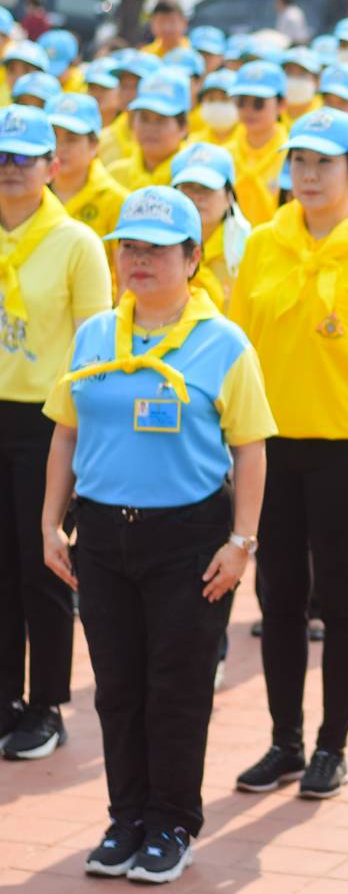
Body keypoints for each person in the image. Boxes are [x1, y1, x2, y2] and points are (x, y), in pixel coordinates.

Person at [41, 186, 274, 882]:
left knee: (176, 686)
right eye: (129, 248)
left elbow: (252, 447)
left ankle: (172, 822)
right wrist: (51, 520)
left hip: (189, 536)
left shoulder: (222, 342)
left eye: (155, 249)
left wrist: (242, 542)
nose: (137, 261)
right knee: (117, 686)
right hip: (105, 533)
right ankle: (126, 818)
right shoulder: (94, 336)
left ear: (193, 257)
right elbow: (65, 429)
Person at [229, 109, 348, 799]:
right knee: (276, 596)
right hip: (271, 447)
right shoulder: (262, 242)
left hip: (346, 452)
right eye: (299, 163)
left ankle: (330, 746)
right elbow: (241, 355)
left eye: (324, 164)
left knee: (339, 599)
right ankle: (285, 741)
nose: (308, 177)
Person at [0, 105, 113, 760]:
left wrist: (85, 434)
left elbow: (93, 348)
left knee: (40, 560)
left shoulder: (75, 243)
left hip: (48, 421)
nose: (11, 170)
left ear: (54, 164)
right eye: (2, 157)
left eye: (24, 157)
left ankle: (46, 703)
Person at [170, 143, 251, 308]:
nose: (197, 197)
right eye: (189, 188)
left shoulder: (247, 246)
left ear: (229, 197)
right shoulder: (158, 246)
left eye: (207, 189)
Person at [46, 93, 128, 240]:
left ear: (94, 145)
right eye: (53, 137)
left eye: (71, 139)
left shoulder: (117, 201)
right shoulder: (29, 194)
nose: (60, 148)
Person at [223, 61, 289, 226]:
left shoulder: (291, 157)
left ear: (281, 104)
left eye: (258, 103)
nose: (248, 110)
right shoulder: (225, 155)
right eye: (241, 102)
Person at [108, 69, 191, 190]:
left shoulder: (194, 179)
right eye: (144, 119)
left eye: (161, 120)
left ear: (183, 126)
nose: (151, 129)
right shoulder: (115, 176)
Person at [279, 48, 323, 126]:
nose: (294, 78)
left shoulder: (325, 115)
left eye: (302, 74)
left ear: (317, 81)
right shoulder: (268, 112)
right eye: (289, 73)